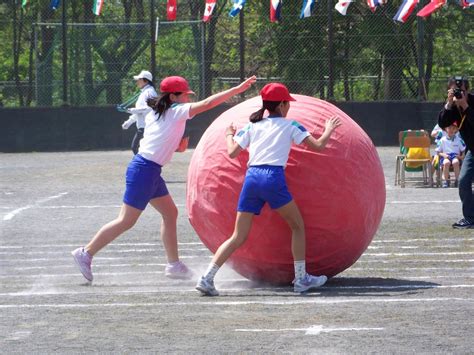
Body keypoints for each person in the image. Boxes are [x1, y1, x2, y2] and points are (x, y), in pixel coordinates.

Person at [72, 74, 257, 282]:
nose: (188, 99)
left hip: (150, 170)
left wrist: (178, 147)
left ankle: (173, 265)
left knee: (170, 213)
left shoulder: (158, 113)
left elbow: (159, 140)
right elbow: (207, 103)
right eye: (185, 95)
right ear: (173, 96)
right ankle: (86, 253)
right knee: (126, 220)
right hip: (144, 170)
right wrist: (237, 89)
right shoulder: (175, 111)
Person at [195, 83, 341, 296]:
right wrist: (328, 130)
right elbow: (318, 146)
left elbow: (233, 152)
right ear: (282, 105)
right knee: (297, 226)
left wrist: (228, 134)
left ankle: (207, 278)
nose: (289, 107)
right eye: (287, 103)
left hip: (251, 179)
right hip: (272, 178)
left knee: (238, 235)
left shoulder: (252, 126)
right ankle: (301, 279)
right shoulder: (291, 125)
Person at [438, 75, 474, 229]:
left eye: (462, 91)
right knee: (464, 181)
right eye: (455, 90)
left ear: (468, 90)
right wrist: (448, 104)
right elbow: (443, 123)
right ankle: (470, 218)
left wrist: (465, 105)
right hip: (472, 150)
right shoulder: (452, 107)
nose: (460, 94)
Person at [121, 70, 158, 155]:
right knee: (138, 148)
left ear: (145, 80)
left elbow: (150, 108)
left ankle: (144, 167)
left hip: (147, 126)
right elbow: (140, 111)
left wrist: (131, 110)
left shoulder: (150, 92)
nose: (137, 81)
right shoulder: (144, 92)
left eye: (139, 79)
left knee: (137, 148)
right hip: (143, 126)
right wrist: (129, 122)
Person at [435, 123, 466, 188]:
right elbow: (438, 152)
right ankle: (445, 181)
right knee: (446, 163)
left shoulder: (459, 139)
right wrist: (443, 155)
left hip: (455, 156)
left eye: (453, 128)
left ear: (456, 130)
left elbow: (463, 150)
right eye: (449, 128)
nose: (451, 130)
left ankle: (457, 180)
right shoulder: (442, 140)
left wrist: (461, 156)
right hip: (446, 156)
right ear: (445, 129)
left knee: (456, 162)